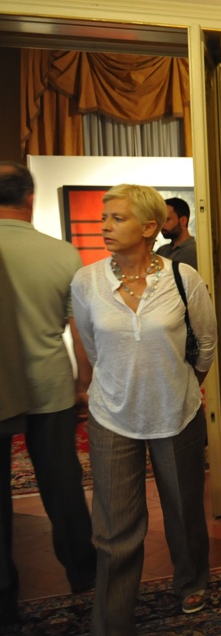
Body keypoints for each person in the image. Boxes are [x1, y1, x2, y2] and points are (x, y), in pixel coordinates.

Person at [70, 184, 217, 636]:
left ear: (149, 227)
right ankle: (113, 619)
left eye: (117, 218)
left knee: (184, 510)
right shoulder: (87, 281)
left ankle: (191, 579)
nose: (105, 226)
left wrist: (181, 382)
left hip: (176, 413)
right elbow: (91, 346)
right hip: (112, 415)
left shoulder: (183, 279)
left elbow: (206, 343)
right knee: (114, 527)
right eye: (104, 218)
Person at [0, 162, 97, 623]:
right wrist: (83, 382)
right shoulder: (62, 253)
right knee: (63, 486)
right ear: (31, 198)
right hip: (51, 381)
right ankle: (84, 573)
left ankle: (5, 597)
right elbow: (79, 330)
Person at [156, 197, 197, 268]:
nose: (162, 225)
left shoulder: (192, 251)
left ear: (183, 221)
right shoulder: (162, 250)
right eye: (161, 220)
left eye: (167, 219)